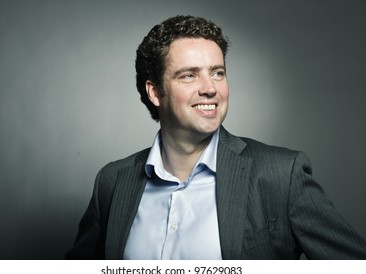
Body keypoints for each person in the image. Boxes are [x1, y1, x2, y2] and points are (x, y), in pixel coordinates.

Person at [66, 15, 366, 259]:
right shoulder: (112, 181)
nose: (210, 88)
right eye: (189, 75)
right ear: (155, 92)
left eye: (218, 72)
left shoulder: (281, 175)